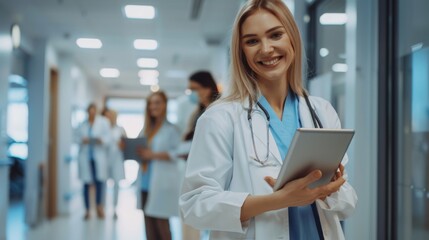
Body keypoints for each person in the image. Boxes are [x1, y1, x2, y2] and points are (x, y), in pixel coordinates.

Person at [179, 0, 358, 239]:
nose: (266, 49)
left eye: (275, 35)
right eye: (252, 41)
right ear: (241, 51)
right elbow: (194, 206)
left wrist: (328, 191)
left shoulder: (321, 111)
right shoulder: (220, 118)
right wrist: (276, 201)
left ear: (292, 38)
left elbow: (348, 203)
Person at [137, 91, 182, 240]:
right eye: (150, 103)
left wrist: (153, 155)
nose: (153, 106)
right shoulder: (146, 130)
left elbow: (177, 153)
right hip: (145, 183)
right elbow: (141, 152)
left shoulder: (172, 130)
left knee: (162, 226)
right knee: (149, 228)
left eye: (157, 102)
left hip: (161, 183)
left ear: (165, 105)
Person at [77, 103, 110, 220]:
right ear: (87, 112)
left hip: (98, 157)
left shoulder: (103, 122)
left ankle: (99, 207)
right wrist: (83, 140)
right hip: (86, 158)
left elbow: (108, 138)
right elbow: (76, 138)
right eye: (89, 112)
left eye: (93, 112)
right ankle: (87, 210)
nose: (92, 114)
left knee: (99, 183)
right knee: (86, 184)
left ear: (96, 112)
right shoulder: (82, 125)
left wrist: (101, 140)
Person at [183, 70, 220, 141]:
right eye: (190, 90)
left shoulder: (219, 111)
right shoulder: (197, 113)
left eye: (194, 89)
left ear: (208, 89)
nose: (192, 93)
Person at [103, 109, 126, 219]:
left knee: (116, 185)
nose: (110, 118)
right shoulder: (104, 130)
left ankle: (115, 209)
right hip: (105, 160)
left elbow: (126, 145)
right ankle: (102, 208)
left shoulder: (120, 129)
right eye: (108, 116)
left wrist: (122, 144)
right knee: (103, 184)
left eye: (112, 116)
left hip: (117, 160)